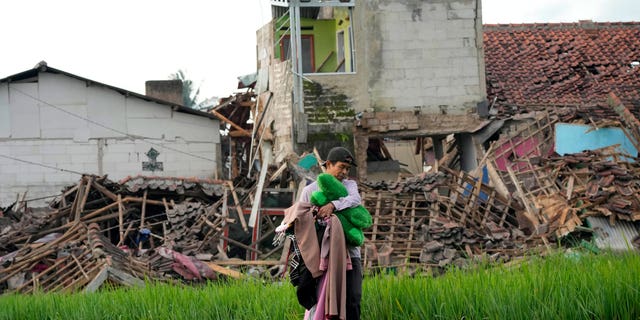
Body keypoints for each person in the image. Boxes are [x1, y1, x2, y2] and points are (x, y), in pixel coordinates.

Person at [299, 146, 363, 320]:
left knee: (353, 299)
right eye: (341, 167)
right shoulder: (310, 191)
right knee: (322, 300)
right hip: (321, 257)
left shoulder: (350, 187)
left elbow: (356, 200)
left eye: (347, 169)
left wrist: (333, 205)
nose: (344, 172)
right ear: (328, 164)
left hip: (350, 254)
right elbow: (302, 224)